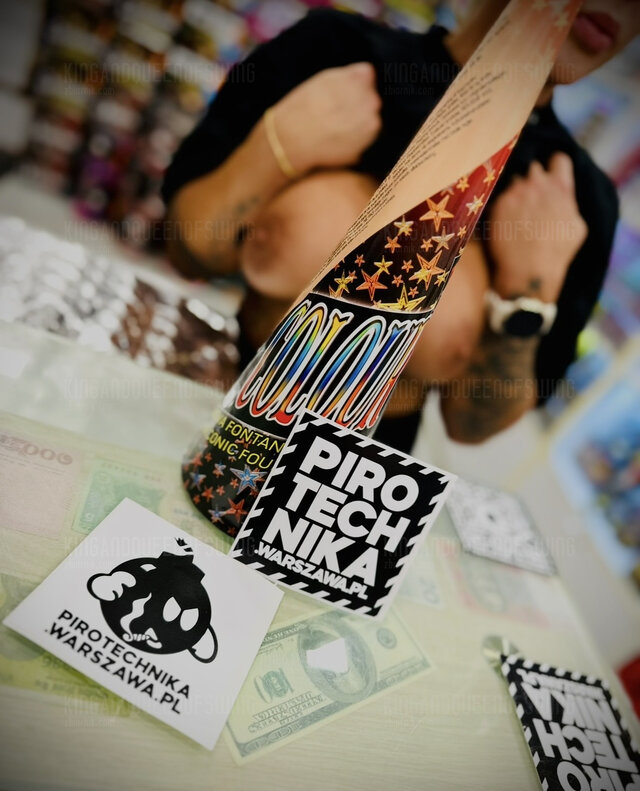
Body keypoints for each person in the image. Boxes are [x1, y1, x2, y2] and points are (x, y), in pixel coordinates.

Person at [162, 1, 636, 451]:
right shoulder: (334, 51)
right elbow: (187, 248)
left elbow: (473, 425)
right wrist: (274, 149)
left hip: (349, 483)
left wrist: (528, 296)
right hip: (196, 410)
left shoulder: (574, 196)